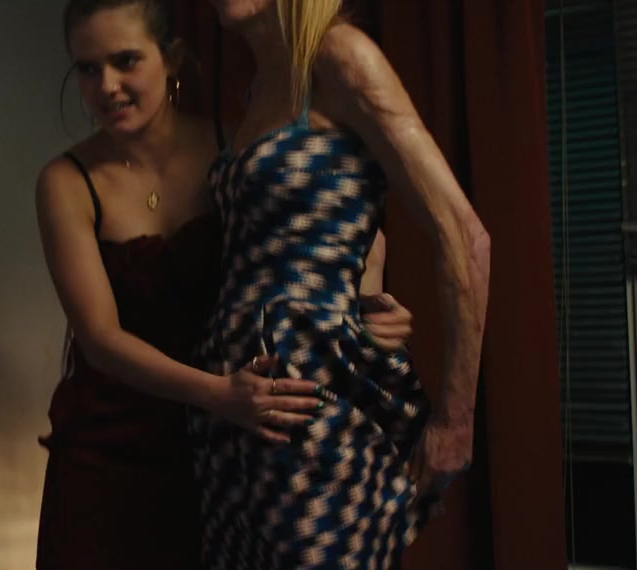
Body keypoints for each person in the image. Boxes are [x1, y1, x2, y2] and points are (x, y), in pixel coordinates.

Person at [33, 1, 416, 568]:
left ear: (171, 59)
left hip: (218, 452)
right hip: (110, 449)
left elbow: (346, 235)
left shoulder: (232, 146)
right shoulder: (65, 181)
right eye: (88, 69)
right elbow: (100, 339)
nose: (106, 85)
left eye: (125, 60)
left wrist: (363, 306)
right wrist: (219, 394)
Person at [190, 1, 492, 568]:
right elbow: (333, 221)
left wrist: (455, 424)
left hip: (315, 412)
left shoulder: (340, 56)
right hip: (234, 426)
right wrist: (365, 291)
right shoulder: (260, 86)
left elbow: (465, 236)